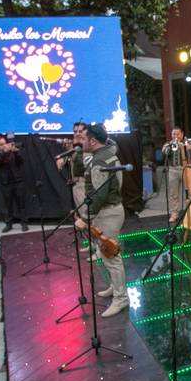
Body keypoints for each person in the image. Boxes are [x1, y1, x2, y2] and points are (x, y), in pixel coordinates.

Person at [74, 123, 130, 318]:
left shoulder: (99, 161)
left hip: (108, 213)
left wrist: (84, 218)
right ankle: (115, 288)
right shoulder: (109, 153)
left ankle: (121, 298)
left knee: (111, 256)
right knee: (105, 253)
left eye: (84, 138)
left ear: (93, 140)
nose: (80, 141)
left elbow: (98, 195)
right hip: (109, 211)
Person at [0, 133, 28, 232]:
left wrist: (16, 153)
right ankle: (8, 224)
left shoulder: (12, 153)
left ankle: (24, 223)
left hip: (18, 182)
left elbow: (21, 162)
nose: (4, 146)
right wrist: (5, 152)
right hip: (5, 184)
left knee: (21, 204)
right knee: (8, 205)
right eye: (1, 144)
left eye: (5, 143)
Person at [55, 120, 89, 210]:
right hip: (76, 185)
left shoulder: (89, 147)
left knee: (87, 214)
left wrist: (71, 150)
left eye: (80, 131)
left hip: (86, 185)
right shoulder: (74, 149)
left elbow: (83, 165)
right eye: (75, 132)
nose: (77, 134)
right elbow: (61, 165)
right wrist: (63, 157)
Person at [162, 126, 188, 223]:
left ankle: (189, 212)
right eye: (173, 134)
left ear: (182, 134)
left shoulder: (186, 143)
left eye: (177, 134)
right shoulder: (168, 144)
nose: (175, 136)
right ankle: (174, 213)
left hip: (185, 170)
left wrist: (183, 146)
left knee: (188, 193)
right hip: (173, 170)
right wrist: (168, 147)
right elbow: (164, 152)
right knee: (174, 194)